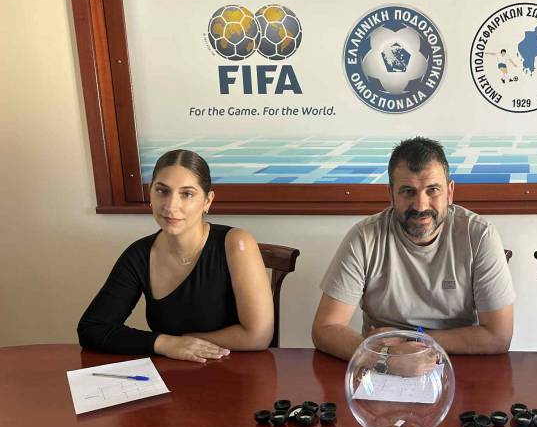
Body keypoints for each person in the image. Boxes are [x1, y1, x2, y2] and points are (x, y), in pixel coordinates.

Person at [311, 137, 515, 374]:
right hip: (382, 368)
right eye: (408, 191)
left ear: (450, 192)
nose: (420, 205)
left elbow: (498, 336)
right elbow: (325, 328)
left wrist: (412, 340)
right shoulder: (364, 237)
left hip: (459, 365)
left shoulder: (479, 235)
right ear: (391, 194)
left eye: (433, 190)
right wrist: (385, 359)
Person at [78, 149, 273, 363]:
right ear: (150, 194)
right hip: (172, 371)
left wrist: (183, 342)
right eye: (162, 191)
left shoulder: (237, 243)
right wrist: (164, 343)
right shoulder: (139, 254)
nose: (171, 206)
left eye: (187, 194)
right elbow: (92, 328)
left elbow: (258, 336)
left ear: (207, 201)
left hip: (237, 371)